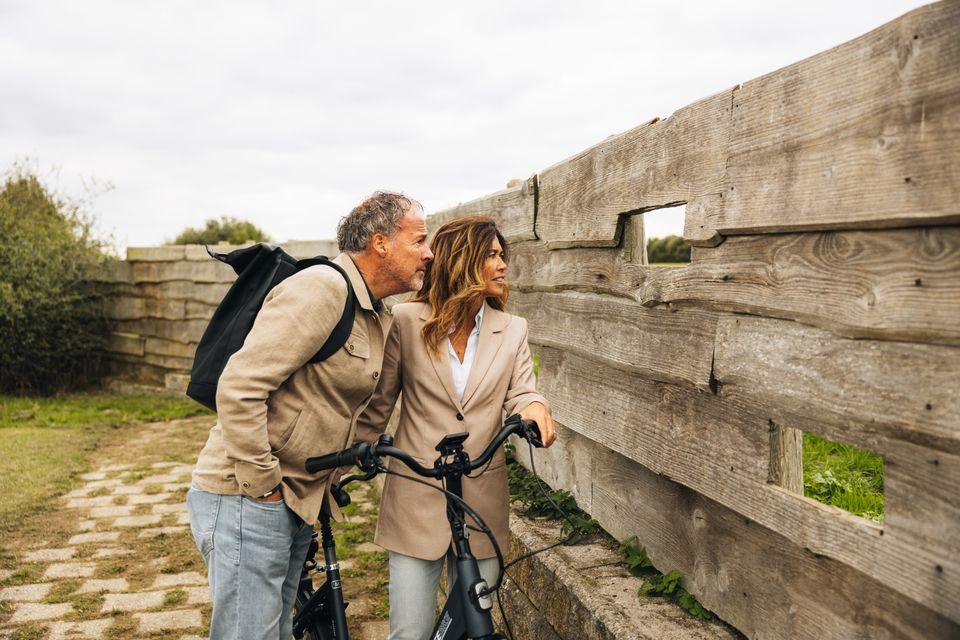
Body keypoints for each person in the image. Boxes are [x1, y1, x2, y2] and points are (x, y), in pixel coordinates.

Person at [186, 191, 433, 640]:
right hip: (247, 495)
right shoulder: (323, 288)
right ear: (380, 243)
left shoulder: (374, 311)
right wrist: (263, 488)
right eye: (419, 241)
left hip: (294, 498)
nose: (428, 253)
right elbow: (240, 386)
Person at [355, 214, 557, 640]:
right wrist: (342, 465)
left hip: (482, 499)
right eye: (491, 255)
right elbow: (378, 406)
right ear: (460, 260)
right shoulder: (406, 322)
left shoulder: (513, 329)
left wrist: (536, 407)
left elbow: (522, 390)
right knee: (410, 631)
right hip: (417, 494)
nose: (502, 265)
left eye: (503, 256)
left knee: (472, 626)